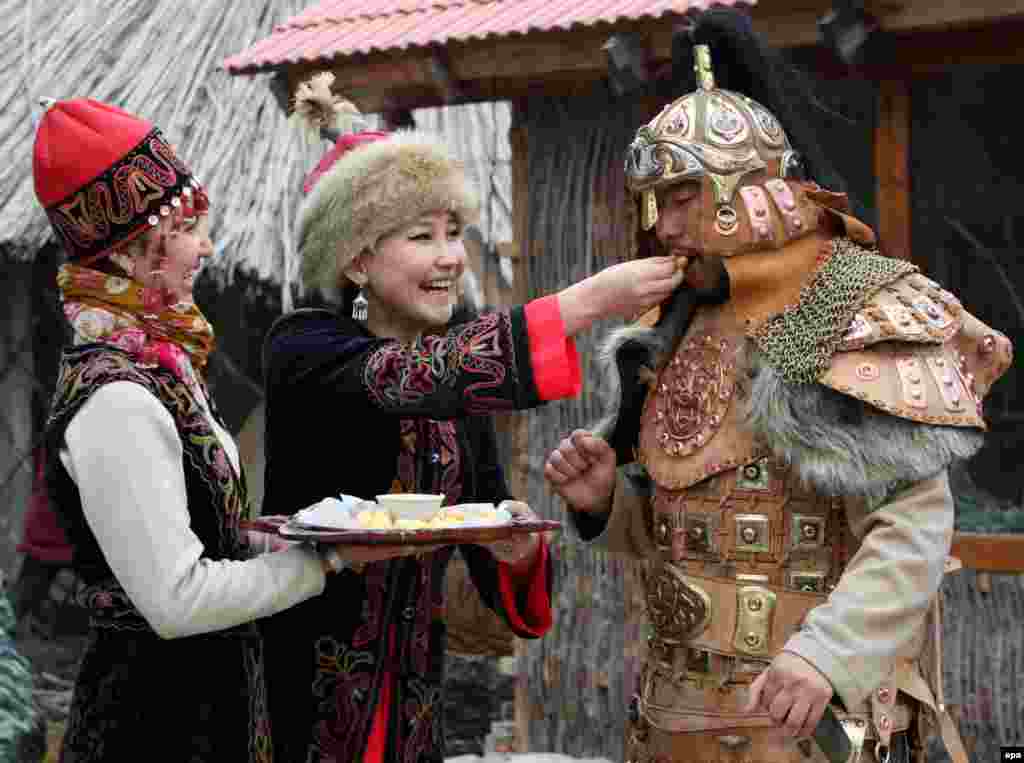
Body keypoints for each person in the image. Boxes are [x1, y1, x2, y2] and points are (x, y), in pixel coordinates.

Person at [543, 10, 1012, 763]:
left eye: (684, 195)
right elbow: (693, 528)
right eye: (655, 201)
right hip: (673, 718)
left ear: (746, 188)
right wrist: (612, 503)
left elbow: (914, 526)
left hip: (807, 725)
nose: (662, 225)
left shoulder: (842, 302)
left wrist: (826, 654)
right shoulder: (674, 322)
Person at [259, 72, 686, 763]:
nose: (451, 257)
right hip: (297, 716)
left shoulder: (462, 396)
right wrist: (581, 304)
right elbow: (406, 378)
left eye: (455, 232)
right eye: (422, 235)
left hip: (416, 720)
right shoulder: (304, 349)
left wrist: (516, 554)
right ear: (358, 259)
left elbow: (504, 587)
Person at [31, 97, 349, 762]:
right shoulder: (116, 395)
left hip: (207, 711)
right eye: (185, 229)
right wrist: (322, 563)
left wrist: (314, 530)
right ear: (131, 249)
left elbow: (211, 536)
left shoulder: (162, 363)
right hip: (151, 726)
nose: (207, 247)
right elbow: (177, 598)